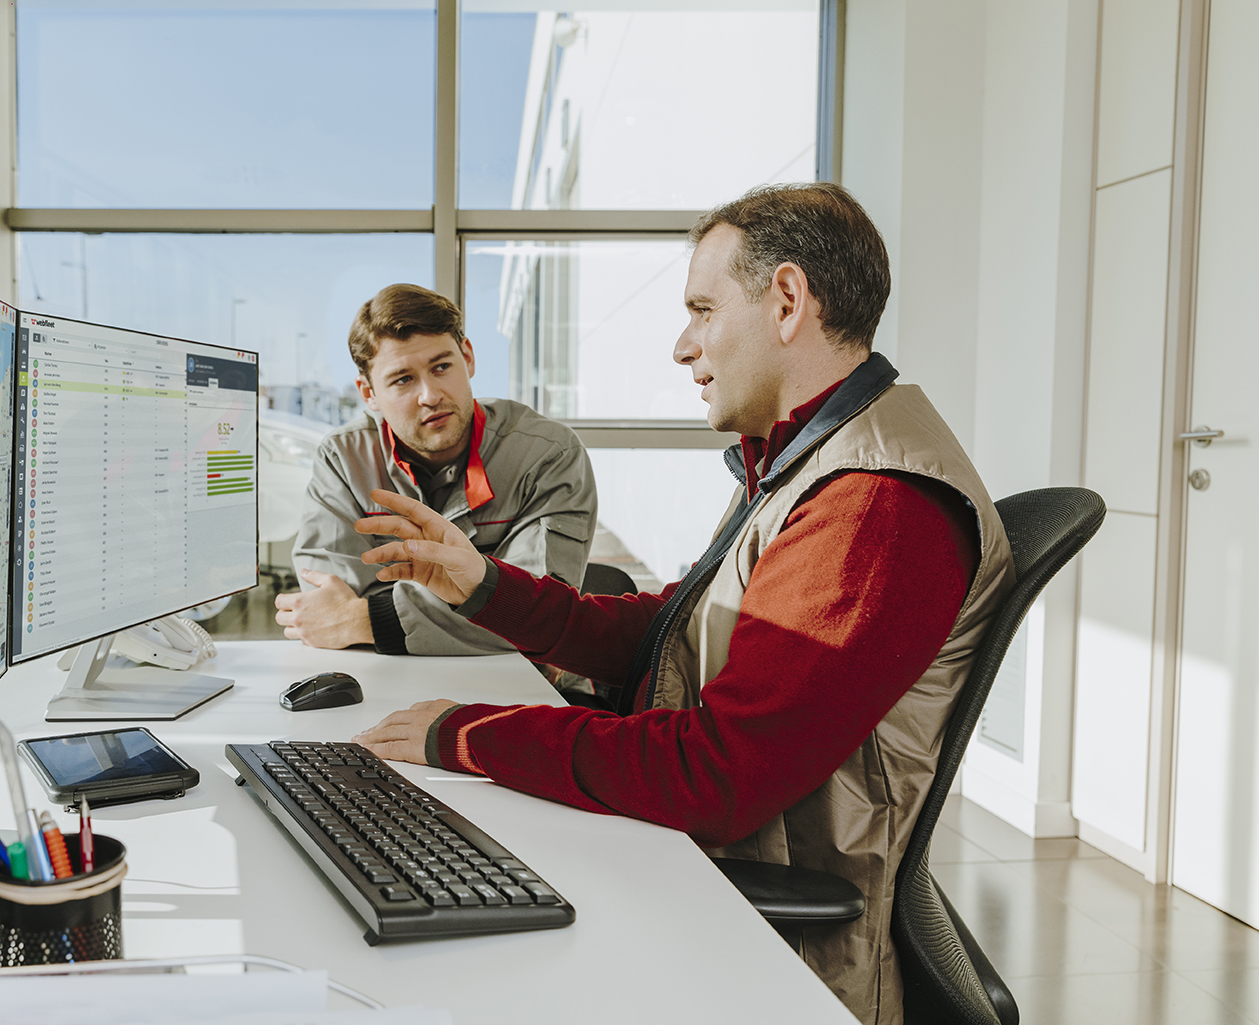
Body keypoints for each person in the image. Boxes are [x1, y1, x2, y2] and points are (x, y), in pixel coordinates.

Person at [349, 185, 1014, 1025]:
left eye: (702, 309)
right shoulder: (804, 462)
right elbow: (664, 633)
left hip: (759, 938)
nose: (682, 345)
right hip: (698, 868)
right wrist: (480, 584)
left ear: (784, 301)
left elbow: (714, 774)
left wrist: (465, 732)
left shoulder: (871, 505)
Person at [276, 283, 598, 677]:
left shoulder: (547, 454)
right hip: (384, 680)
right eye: (402, 380)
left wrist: (362, 621)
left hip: (513, 686)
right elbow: (326, 606)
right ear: (368, 393)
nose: (430, 395)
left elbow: (538, 618)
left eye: (442, 367)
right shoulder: (344, 459)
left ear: (468, 358)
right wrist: (485, 608)